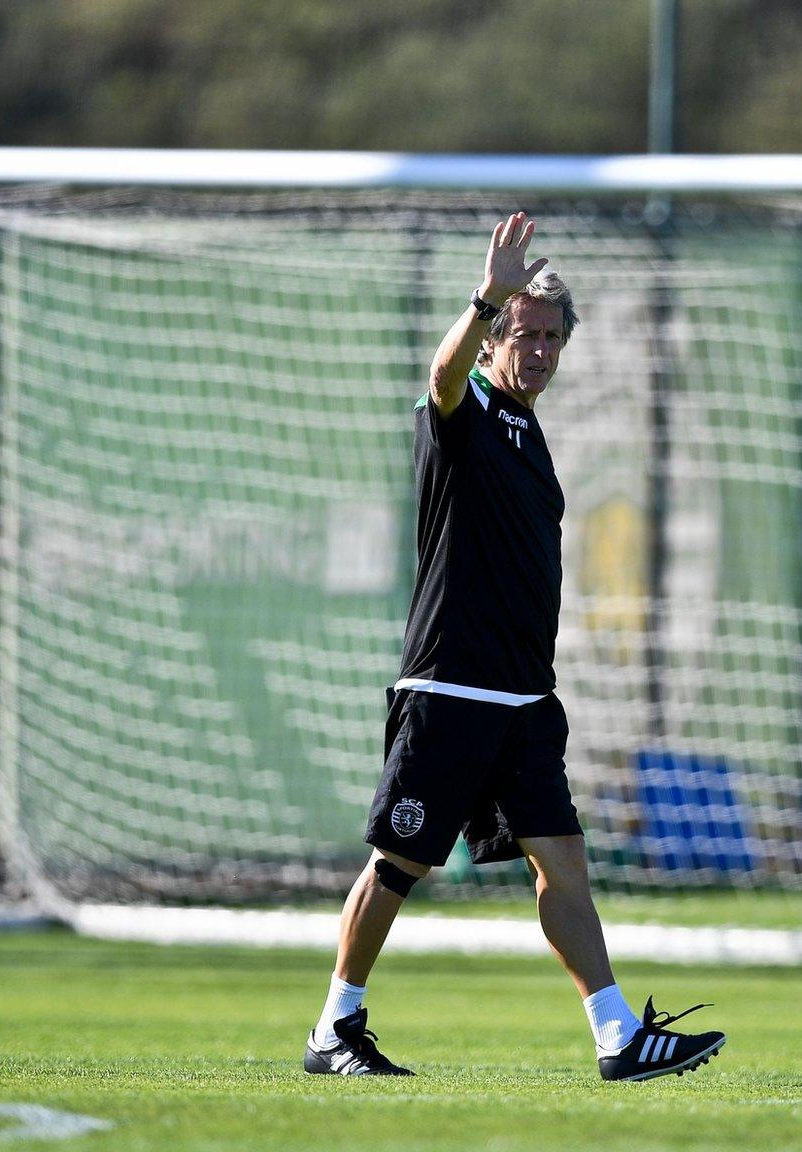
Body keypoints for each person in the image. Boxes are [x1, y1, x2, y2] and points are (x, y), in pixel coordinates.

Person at [303, 212, 726, 1082]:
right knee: (400, 862)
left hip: (526, 700)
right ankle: (333, 1028)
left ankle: (616, 1035)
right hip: (451, 688)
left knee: (563, 864)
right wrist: (484, 295)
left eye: (549, 337)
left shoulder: (532, 435)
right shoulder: (468, 408)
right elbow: (441, 372)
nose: (535, 349)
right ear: (499, 336)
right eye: (522, 333)